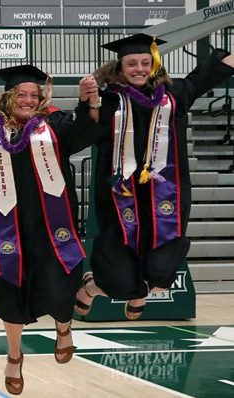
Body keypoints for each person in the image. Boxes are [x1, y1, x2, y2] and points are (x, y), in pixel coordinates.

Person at [0, 65, 103, 395]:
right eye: (21, 94)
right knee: (8, 291)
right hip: (10, 232)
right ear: (8, 97)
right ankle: (14, 356)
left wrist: (91, 103)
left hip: (52, 228)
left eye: (34, 95)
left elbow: (86, 131)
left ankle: (64, 328)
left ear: (42, 99)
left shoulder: (54, 125)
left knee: (60, 285)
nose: (28, 100)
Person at [78, 33, 234, 320]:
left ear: (154, 65)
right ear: (120, 68)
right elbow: (86, 130)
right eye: (132, 63)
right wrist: (88, 102)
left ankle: (141, 290)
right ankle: (90, 289)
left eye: (145, 62)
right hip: (121, 200)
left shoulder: (173, 97)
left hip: (166, 197)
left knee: (162, 274)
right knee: (121, 281)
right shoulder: (110, 101)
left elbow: (207, 74)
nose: (139, 68)